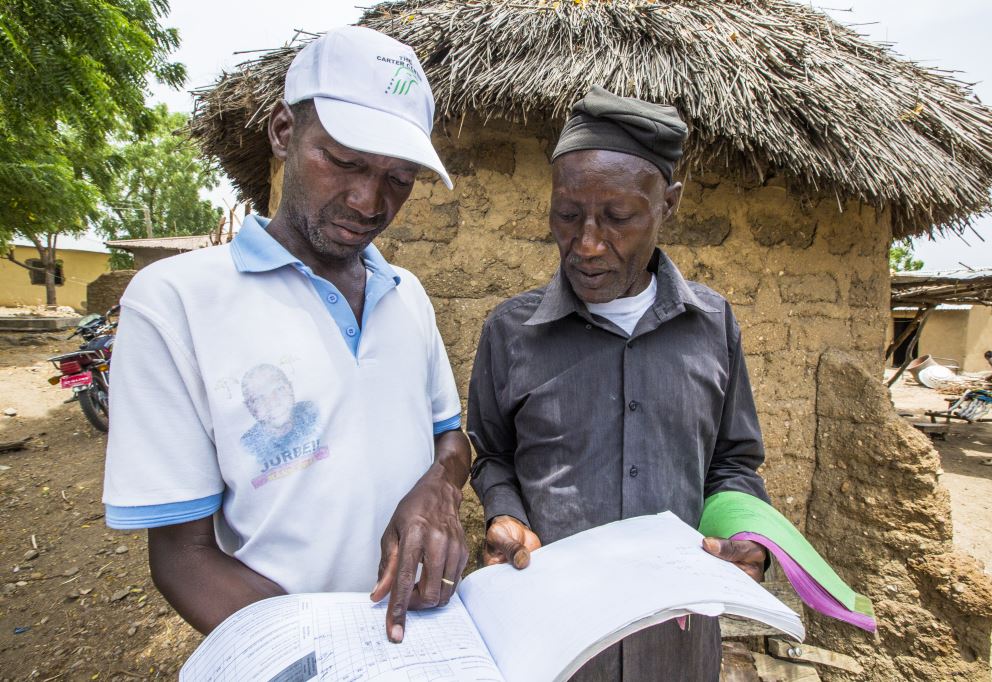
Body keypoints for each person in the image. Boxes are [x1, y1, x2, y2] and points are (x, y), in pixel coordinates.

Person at [102, 26, 471, 644]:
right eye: (344, 161)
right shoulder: (176, 303)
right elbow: (183, 558)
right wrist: (325, 653)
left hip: (422, 645)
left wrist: (438, 488)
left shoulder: (408, 296)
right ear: (282, 133)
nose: (367, 200)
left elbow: (449, 439)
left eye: (399, 178)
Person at [468, 86, 771, 680]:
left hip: (676, 644)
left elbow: (734, 463)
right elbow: (494, 456)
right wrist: (502, 514)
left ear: (669, 204)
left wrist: (745, 533)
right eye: (567, 215)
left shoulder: (712, 325)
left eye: (619, 218)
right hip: (554, 641)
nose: (586, 243)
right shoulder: (510, 332)